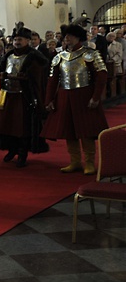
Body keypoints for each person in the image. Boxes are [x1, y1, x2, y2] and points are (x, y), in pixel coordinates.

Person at [41, 23, 109, 175]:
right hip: (64, 96)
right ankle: (75, 161)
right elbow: (52, 80)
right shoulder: (59, 57)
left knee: (86, 130)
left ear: (78, 37)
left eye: (70, 36)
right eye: (65, 37)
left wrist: (96, 97)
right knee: (69, 131)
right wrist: (49, 100)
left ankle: (90, 163)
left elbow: (101, 75)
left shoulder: (90, 54)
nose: (67, 39)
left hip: (84, 95)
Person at [0, 27, 48, 167]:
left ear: (27, 40)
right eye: (15, 39)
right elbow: (2, 70)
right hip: (8, 94)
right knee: (7, 125)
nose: (17, 42)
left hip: (24, 96)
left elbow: (39, 75)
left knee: (22, 126)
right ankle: (11, 149)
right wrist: (1, 76)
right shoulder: (8, 55)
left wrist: (26, 77)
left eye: (20, 39)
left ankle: (22, 152)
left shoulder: (34, 56)